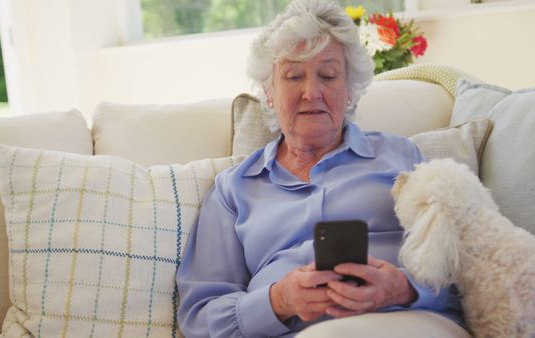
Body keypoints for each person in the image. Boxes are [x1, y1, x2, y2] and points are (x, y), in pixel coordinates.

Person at [176, 0, 468, 337]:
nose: (311, 92)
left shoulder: (402, 157)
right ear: (269, 93)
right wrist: (278, 301)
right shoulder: (233, 189)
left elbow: (465, 273)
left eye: (328, 75)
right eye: (293, 76)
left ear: (349, 91)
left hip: (405, 324)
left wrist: (403, 288)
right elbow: (200, 316)